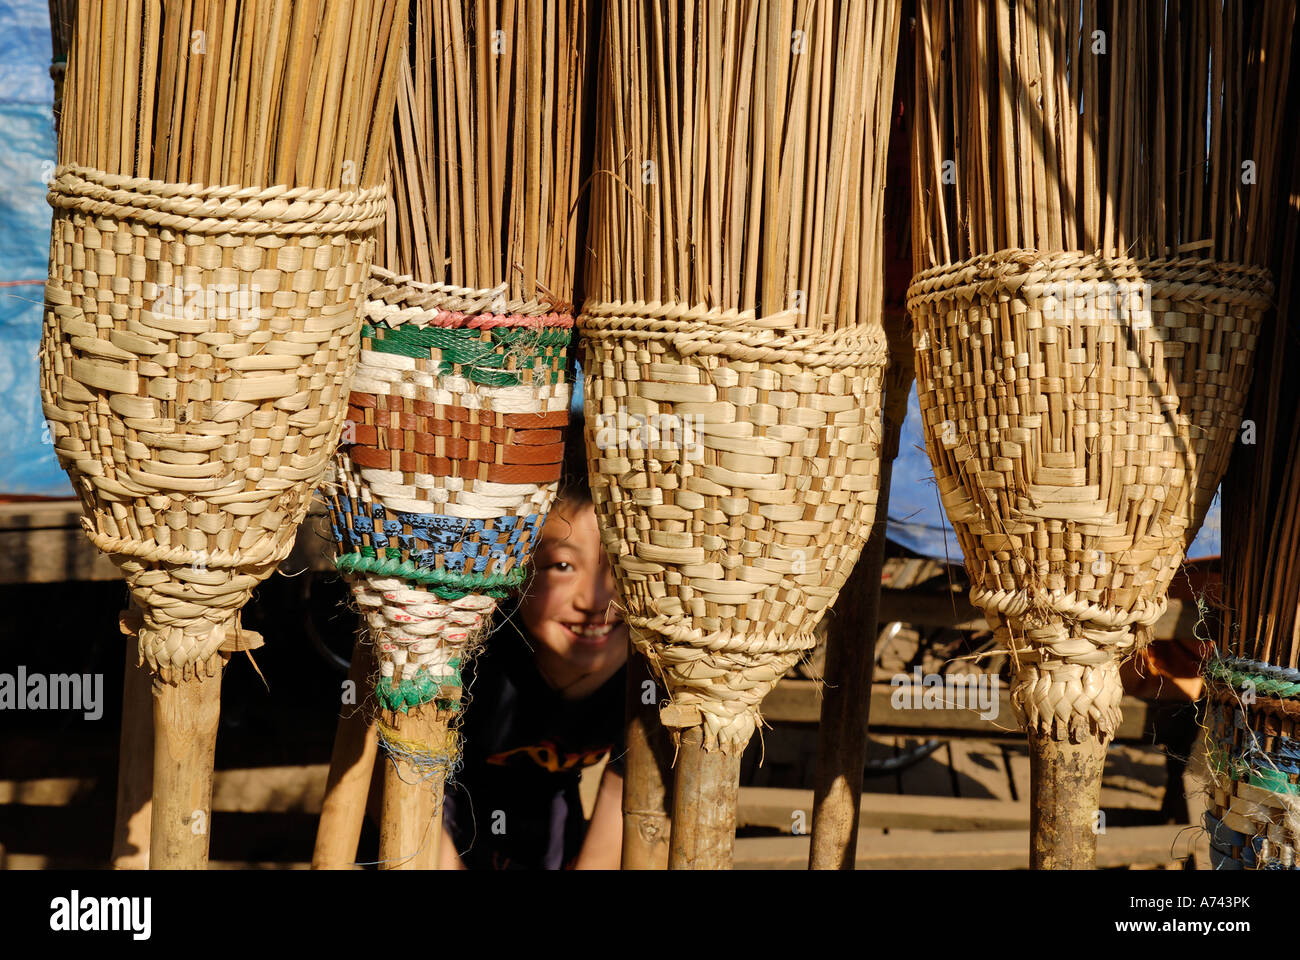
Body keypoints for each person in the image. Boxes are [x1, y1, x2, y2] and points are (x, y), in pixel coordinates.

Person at [439, 417, 629, 869]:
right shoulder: (471, 657)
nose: (594, 601)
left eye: (617, 565)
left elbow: (623, 815)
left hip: (551, 830)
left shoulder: (646, 681)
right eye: (562, 566)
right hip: (438, 821)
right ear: (516, 567)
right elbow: (395, 790)